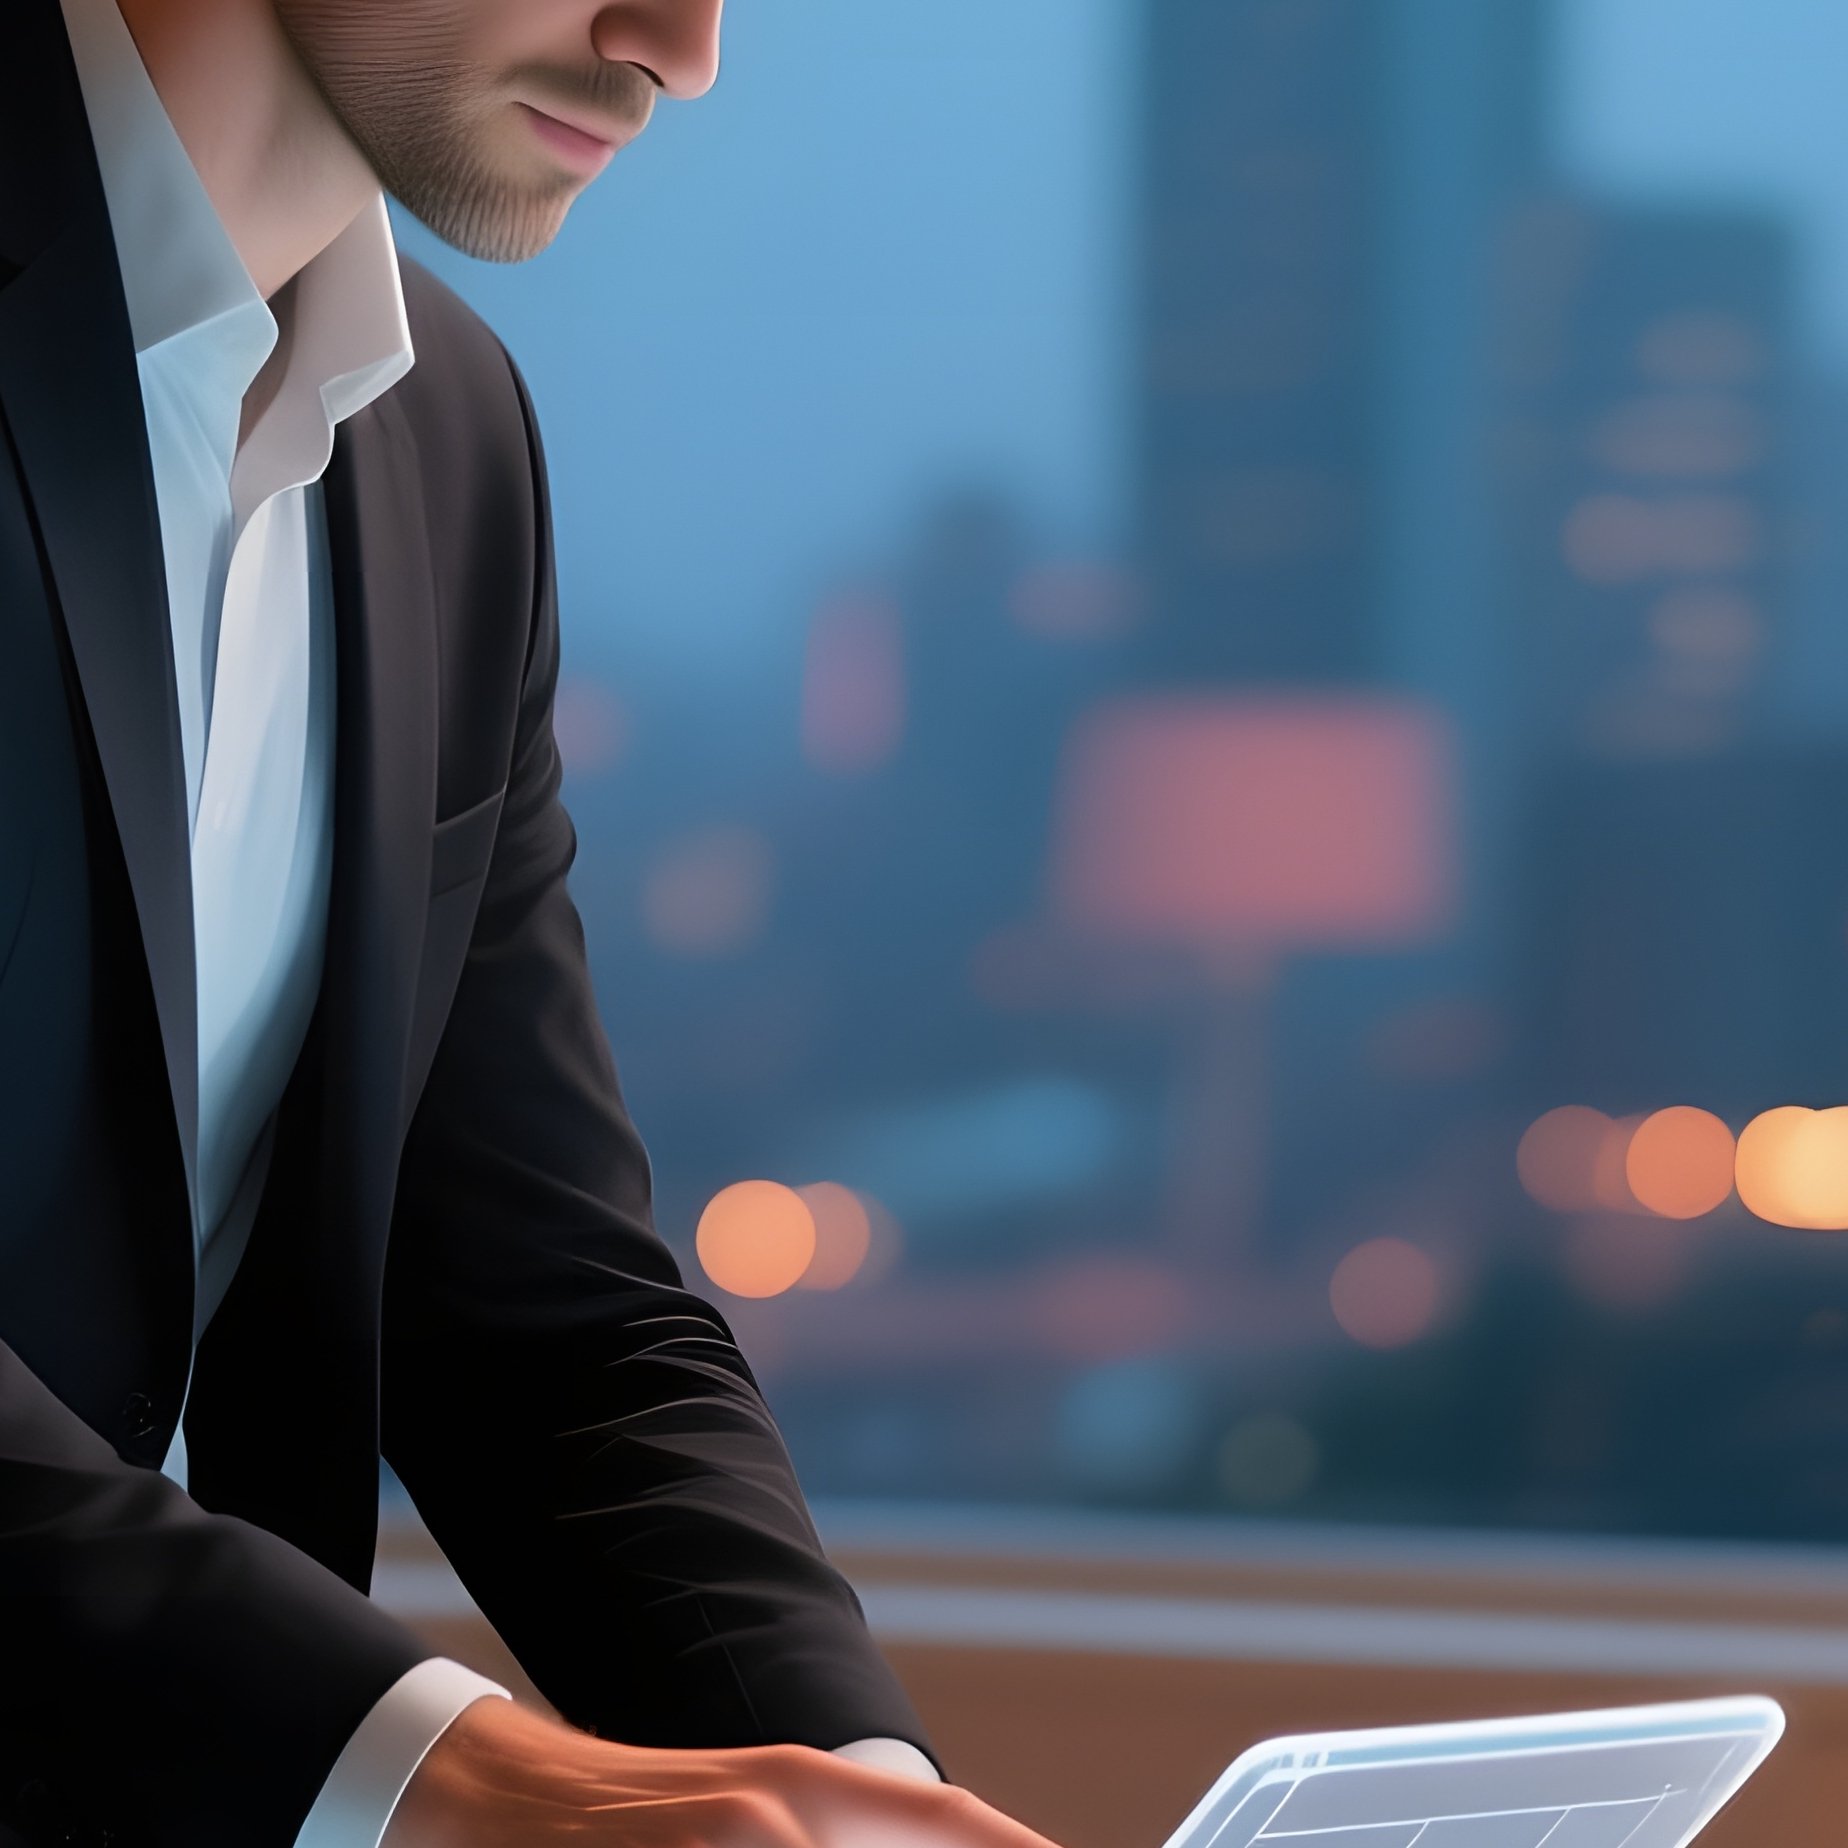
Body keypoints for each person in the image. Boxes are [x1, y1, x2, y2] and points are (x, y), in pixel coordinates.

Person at [0, 2, 1064, 1845]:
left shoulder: (449, 439)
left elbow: (536, 1295)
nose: (685, 45)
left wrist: (858, 1800)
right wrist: (452, 1775)